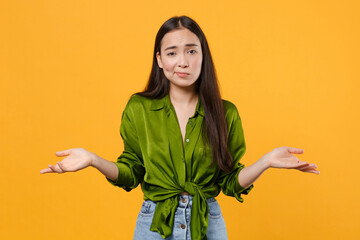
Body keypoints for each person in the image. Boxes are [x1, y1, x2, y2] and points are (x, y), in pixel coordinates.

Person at [40, 16, 319, 240]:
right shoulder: (139, 108)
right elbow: (130, 173)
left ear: (203, 56)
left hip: (207, 222)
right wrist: (92, 160)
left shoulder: (226, 112)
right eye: (172, 53)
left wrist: (266, 161)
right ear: (160, 60)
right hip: (154, 224)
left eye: (191, 51)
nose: (182, 61)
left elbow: (230, 182)